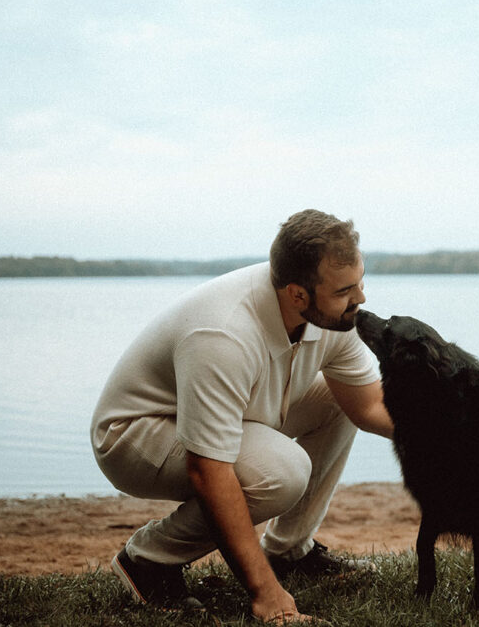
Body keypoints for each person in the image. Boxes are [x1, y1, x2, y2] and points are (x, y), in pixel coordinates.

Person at [91, 209, 393, 625]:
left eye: (361, 282)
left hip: (227, 413)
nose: (360, 299)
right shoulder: (223, 334)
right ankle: (149, 559)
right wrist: (265, 592)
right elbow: (208, 470)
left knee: (337, 403)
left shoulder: (329, 316)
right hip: (136, 434)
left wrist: (476, 417)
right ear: (297, 294)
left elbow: (372, 405)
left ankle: (289, 551)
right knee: (281, 473)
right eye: (345, 290)